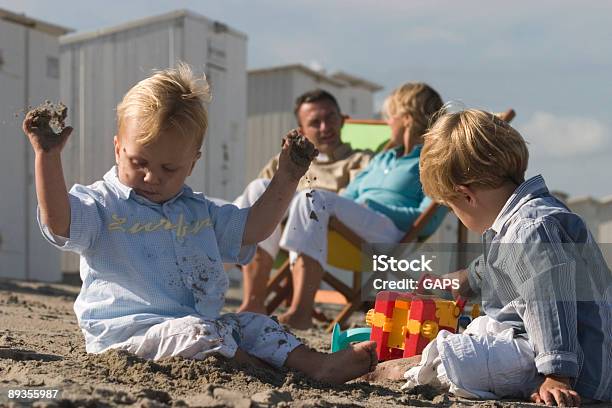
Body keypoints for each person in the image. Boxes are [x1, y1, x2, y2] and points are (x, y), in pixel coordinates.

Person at [23, 63, 377, 384]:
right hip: (128, 336)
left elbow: (253, 229)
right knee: (200, 334)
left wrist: (287, 176)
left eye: (169, 169)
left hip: (203, 326)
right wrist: (48, 157)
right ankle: (262, 371)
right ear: (118, 149)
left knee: (258, 323)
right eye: (139, 162)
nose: (151, 177)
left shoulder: (197, 211)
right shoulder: (102, 204)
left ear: (192, 163)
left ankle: (316, 365)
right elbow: (59, 224)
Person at [396, 109, 611, 405]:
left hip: (579, 370)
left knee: (456, 360)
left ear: (467, 195)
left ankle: (400, 369)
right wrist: (467, 278)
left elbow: (549, 300)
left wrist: (556, 375)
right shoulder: (528, 216)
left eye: (452, 207)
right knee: (481, 328)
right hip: (558, 348)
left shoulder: (527, 230)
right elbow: (501, 266)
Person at [277, 82, 449, 329]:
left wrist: (372, 206)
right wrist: (354, 207)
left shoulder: (433, 162)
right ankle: (262, 301)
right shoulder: (383, 159)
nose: (387, 123)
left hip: (389, 234)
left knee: (311, 198)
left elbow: (427, 219)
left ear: (407, 120)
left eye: (390, 118)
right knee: (289, 198)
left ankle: (300, 310)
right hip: (353, 230)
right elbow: (349, 196)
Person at [234, 89, 372, 313]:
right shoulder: (288, 160)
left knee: (307, 198)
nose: (325, 128)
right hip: (277, 235)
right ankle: (253, 302)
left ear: (342, 119)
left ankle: (292, 308)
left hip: (332, 235)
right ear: (302, 130)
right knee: (256, 188)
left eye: (330, 118)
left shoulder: (360, 161)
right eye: (315, 123)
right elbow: (255, 198)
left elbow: (354, 206)